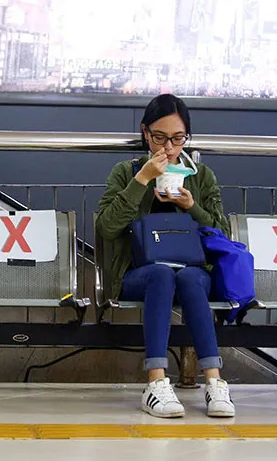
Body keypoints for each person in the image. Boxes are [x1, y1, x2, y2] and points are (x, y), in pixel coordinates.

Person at [95, 94, 235, 419]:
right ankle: (156, 383)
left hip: (192, 271)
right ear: (145, 133)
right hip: (139, 273)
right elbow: (107, 227)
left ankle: (215, 382)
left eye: (177, 138)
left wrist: (191, 206)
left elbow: (221, 234)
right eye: (160, 137)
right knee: (161, 273)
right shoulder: (127, 172)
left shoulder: (200, 176)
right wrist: (141, 180)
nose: (169, 147)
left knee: (188, 277)